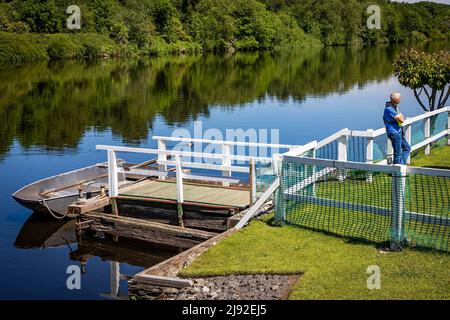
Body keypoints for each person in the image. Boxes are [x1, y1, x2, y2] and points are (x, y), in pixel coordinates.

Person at [383, 92, 411, 165]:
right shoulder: (389, 109)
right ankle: (396, 172)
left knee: (407, 148)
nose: (400, 100)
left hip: (399, 132)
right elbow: (401, 120)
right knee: (397, 153)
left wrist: (400, 117)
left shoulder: (394, 107)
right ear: (395, 99)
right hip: (394, 133)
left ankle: (401, 165)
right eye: (399, 98)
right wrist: (400, 116)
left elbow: (401, 118)